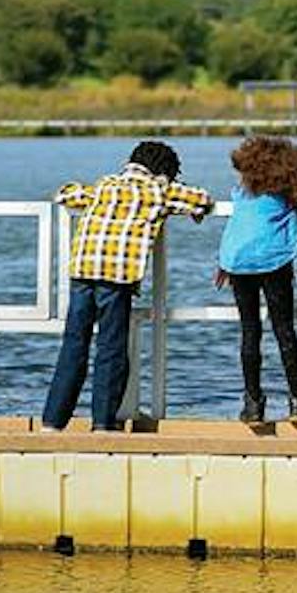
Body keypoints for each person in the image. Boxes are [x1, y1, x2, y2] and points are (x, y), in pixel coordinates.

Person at [44, 140, 212, 432]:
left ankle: (53, 422)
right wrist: (182, 199)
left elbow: (65, 194)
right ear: (163, 173)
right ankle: (102, 424)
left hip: (83, 270)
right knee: (110, 349)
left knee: (74, 344)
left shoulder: (104, 185)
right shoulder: (159, 191)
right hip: (117, 276)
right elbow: (202, 199)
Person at [214, 135, 297, 427]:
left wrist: (224, 263)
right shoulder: (291, 195)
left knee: (249, 332)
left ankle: (253, 405)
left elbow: (239, 228)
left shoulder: (241, 193)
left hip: (239, 262)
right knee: (284, 330)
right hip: (274, 262)